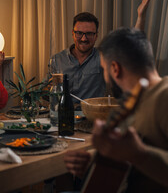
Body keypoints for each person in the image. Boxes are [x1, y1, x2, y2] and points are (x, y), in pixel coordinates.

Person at [64, 28, 168, 192]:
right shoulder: (133, 102)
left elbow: (138, 153)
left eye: (104, 68)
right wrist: (94, 160)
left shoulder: (164, 97)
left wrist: (139, 154)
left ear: (115, 69)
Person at [49, 0, 153, 103]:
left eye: (89, 34)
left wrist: (141, 17)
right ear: (73, 33)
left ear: (96, 36)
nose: (84, 38)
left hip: (92, 116)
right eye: (79, 33)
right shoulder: (57, 59)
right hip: (63, 116)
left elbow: (132, 49)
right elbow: (46, 94)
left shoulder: (104, 56)